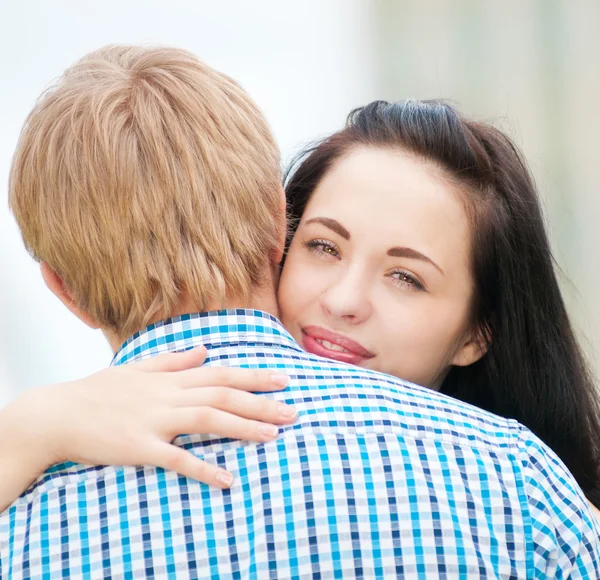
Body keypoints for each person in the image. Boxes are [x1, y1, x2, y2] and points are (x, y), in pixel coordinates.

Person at [1, 45, 598, 577]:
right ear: (277, 223)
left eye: (406, 277)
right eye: (324, 246)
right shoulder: (515, 485)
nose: (342, 301)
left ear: (63, 289)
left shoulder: (21, 524)